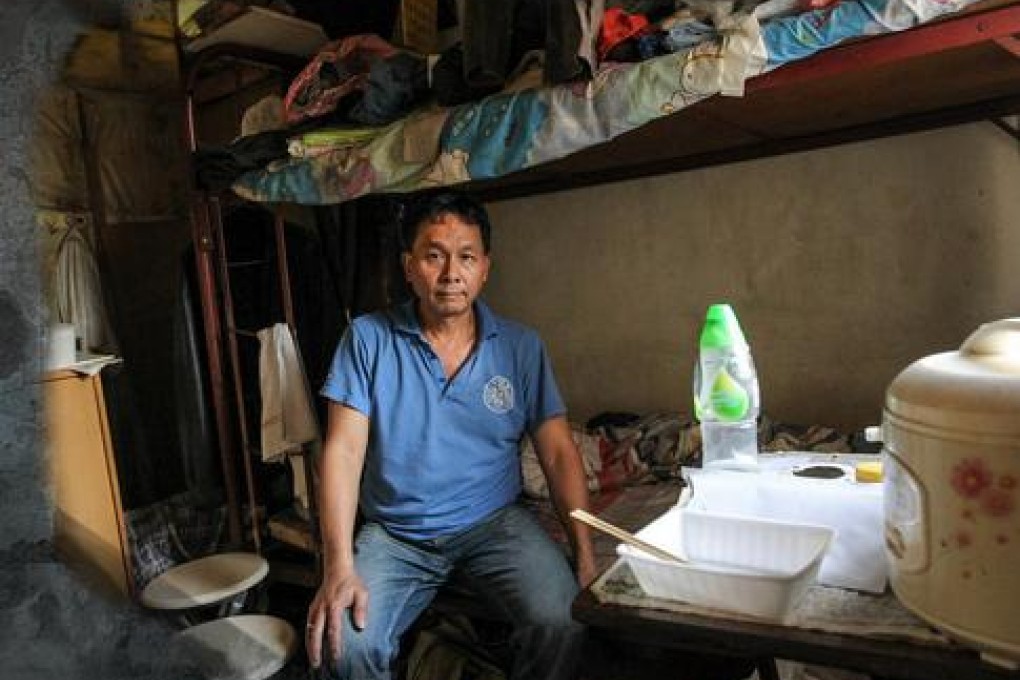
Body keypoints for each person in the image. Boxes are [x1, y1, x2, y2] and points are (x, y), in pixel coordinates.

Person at [305, 190, 596, 680]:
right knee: (346, 645)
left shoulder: (521, 347)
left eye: (466, 257)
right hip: (396, 534)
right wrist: (338, 567)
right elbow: (343, 451)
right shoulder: (369, 339)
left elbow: (559, 453)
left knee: (564, 622)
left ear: (485, 267)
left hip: (494, 524)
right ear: (409, 266)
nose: (450, 274)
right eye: (434, 256)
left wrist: (584, 555)